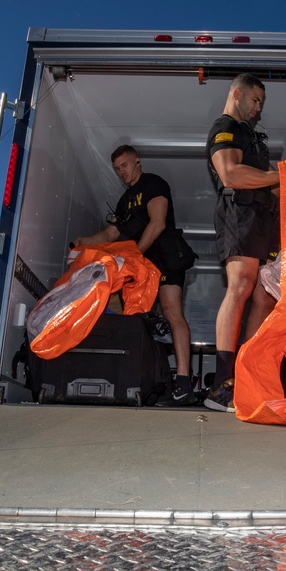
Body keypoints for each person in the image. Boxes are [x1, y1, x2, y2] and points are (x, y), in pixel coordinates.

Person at [72, 145, 197, 405]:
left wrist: (135, 255)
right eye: (117, 169)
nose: (121, 172)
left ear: (137, 162)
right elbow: (110, 234)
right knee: (134, 318)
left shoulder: (153, 183)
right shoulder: (124, 200)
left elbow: (158, 222)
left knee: (172, 311)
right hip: (140, 266)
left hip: (163, 258)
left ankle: (184, 382)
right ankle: (141, 377)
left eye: (125, 166)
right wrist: (84, 241)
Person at [204, 73, 281, 412]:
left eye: (261, 103)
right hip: (241, 211)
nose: (258, 108)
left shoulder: (252, 137)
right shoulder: (226, 127)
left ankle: (245, 375)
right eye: (256, 100)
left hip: (265, 219)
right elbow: (231, 174)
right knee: (241, 285)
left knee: (266, 296)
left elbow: (272, 184)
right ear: (238, 94)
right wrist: (281, 176)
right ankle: (222, 385)